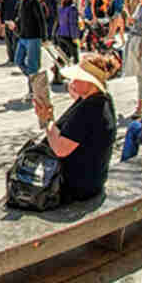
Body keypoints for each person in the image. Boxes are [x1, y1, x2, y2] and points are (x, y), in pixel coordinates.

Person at [33, 55, 118, 203]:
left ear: (91, 83)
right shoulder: (101, 98)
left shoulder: (90, 110)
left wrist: (47, 120)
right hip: (92, 178)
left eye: (78, 78)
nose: (72, 81)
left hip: (77, 187)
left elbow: (60, 149)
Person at [10, 0, 48, 115]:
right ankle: (34, 80)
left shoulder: (33, 0)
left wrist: (44, 37)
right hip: (23, 37)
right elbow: (21, 18)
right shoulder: (21, 2)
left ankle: (34, 90)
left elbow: (41, 19)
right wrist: (14, 25)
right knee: (18, 60)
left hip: (34, 37)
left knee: (33, 65)